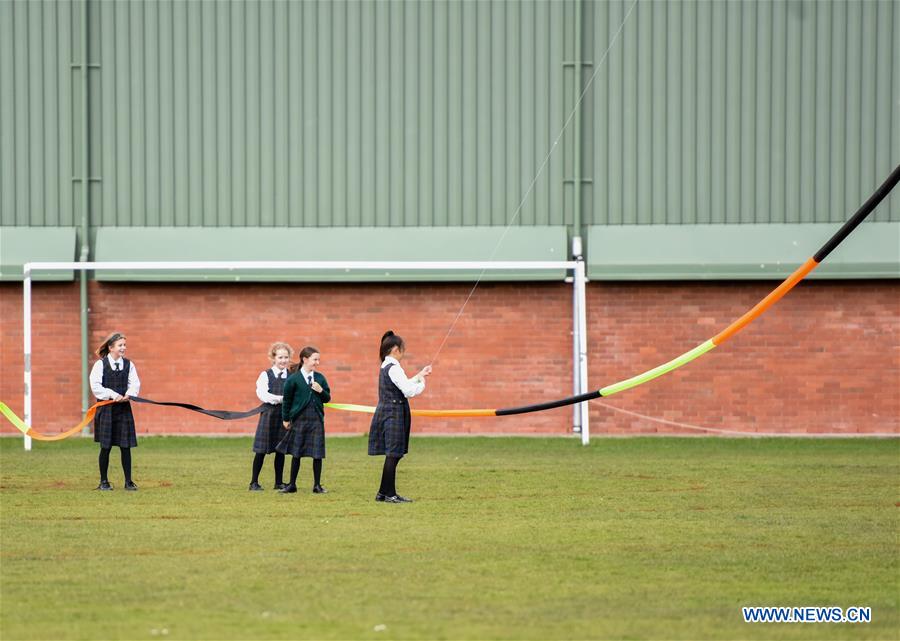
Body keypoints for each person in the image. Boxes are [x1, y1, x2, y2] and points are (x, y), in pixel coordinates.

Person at [368, 331, 431, 503]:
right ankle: (389, 494)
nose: (404, 352)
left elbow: (403, 384)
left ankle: (384, 492)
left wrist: (419, 376)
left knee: (393, 454)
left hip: (389, 411)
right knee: (394, 454)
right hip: (394, 413)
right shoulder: (394, 367)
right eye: (403, 349)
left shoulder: (387, 366)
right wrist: (423, 383)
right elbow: (408, 391)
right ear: (395, 349)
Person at [89, 332, 140, 491]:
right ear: (111, 348)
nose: (123, 348)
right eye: (120, 345)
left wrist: (129, 394)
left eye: (124, 345)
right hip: (106, 410)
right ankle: (103, 482)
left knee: (126, 446)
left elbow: (135, 383)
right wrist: (113, 395)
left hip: (123, 410)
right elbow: (96, 387)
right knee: (106, 447)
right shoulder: (100, 365)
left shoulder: (129, 365)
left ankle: (128, 482)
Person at [277, 346, 331, 494]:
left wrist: (321, 391)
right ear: (305, 359)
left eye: (318, 359)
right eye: (315, 359)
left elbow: (327, 398)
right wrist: (286, 419)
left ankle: (317, 485)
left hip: (316, 420)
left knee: (317, 454)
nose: (317, 362)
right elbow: (287, 401)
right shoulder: (293, 379)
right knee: (296, 452)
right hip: (299, 420)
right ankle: (292, 485)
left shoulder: (320, 378)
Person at [249, 342, 293, 491]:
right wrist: (280, 398)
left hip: (284, 416)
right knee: (261, 450)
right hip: (268, 416)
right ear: (273, 358)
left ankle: (278, 482)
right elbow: (262, 394)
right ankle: (253, 482)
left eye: (286, 357)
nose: (283, 360)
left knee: (281, 451)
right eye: (280, 357)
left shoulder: (292, 376)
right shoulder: (265, 375)